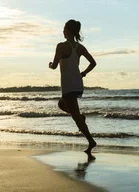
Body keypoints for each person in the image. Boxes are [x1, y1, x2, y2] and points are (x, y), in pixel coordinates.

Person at [49, 19, 97, 153]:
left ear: (68, 31)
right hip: (77, 83)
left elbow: (54, 66)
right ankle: (80, 118)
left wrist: (49, 65)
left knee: (75, 117)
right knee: (61, 104)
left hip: (68, 85)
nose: (62, 31)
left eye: (64, 29)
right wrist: (83, 74)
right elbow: (93, 63)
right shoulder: (79, 47)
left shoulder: (60, 46)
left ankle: (91, 141)